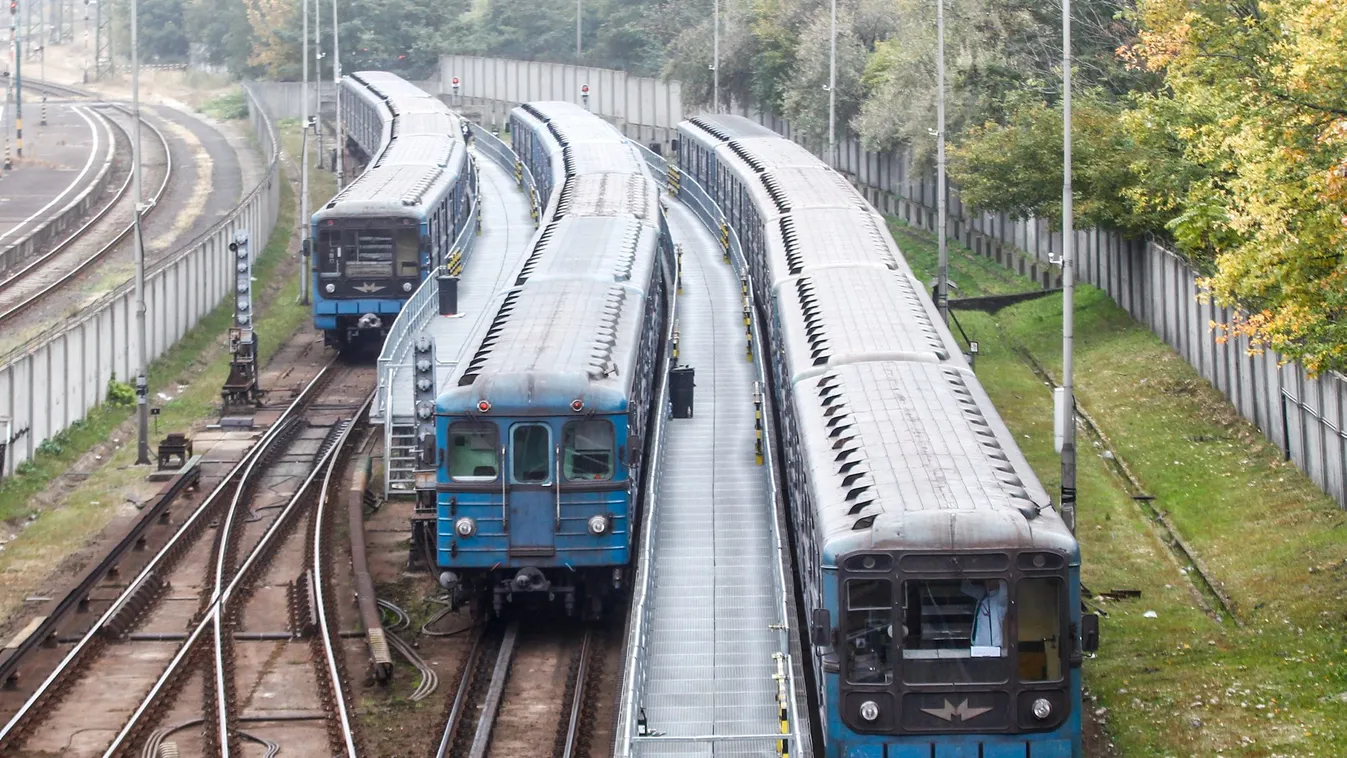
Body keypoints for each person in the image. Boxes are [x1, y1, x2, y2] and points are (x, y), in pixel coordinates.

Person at [961, 580, 1007, 655]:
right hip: (977, 645)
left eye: (991, 579)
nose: (988, 581)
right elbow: (965, 587)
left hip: (993, 647)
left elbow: (1005, 587)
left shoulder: (1000, 600)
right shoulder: (983, 595)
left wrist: (999, 576)